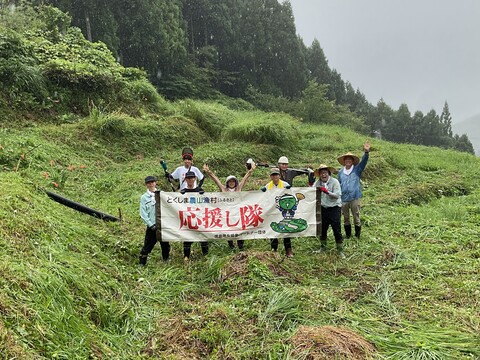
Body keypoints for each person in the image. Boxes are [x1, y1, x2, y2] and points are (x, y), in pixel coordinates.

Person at [203, 161, 256, 250]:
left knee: (240, 230)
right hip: (227, 214)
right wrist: (209, 172)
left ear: (235, 182)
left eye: (233, 181)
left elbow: (245, 178)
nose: (231, 183)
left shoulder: (238, 189)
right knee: (228, 230)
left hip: (238, 214)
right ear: (227, 183)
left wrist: (251, 170)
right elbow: (216, 180)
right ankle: (231, 246)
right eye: (230, 181)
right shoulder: (224, 190)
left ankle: (240, 246)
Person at [276, 156, 314, 258]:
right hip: (276, 201)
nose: (284, 166)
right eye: (282, 164)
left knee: (286, 224)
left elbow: (301, 171)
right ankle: (274, 249)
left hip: (288, 201)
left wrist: (307, 170)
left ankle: (288, 250)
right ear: (278, 164)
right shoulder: (275, 172)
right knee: (274, 224)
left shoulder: (290, 172)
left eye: (285, 164)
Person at [337, 141, 371, 239]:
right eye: (346, 159)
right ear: (344, 161)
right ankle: (348, 235)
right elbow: (339, 184)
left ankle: (357, 236)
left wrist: (366, 152)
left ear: (352, 161)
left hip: (354, 197)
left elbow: (364, 162)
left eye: (349, 159)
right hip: (344, 198)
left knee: (356, 217)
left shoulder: (357, 169)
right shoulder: (340, 172)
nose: (348, 161)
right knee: (346, 218)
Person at [261, 167, 293, 257]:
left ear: (279, 175)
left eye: (276, 175)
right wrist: (261, 192)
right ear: (271, 176)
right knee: (273, 230)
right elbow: (264, 198)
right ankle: (274, 250)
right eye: (273, 175)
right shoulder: (268, 186)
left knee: (285, 230)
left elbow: (291, 196)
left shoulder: (285, 184)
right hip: (272, 212)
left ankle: (288, 250)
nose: (275, 177)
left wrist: (289, 189)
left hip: (283, 211)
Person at [314, 164, 344, 258]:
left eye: (325, 172)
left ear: (328, 173)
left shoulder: (335, 182)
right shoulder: (317, 183)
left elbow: (337, 195)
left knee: (336, 229)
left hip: (334, 208)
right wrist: (311, 184)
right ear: (319, 174)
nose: (323, 175)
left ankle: (340, 250)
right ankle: (323, 247)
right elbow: (311, 191)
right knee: (322, 229)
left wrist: (326, 192)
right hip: (323, 208)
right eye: (321, 173)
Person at [139, 176, 170, 265]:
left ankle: (166, 260)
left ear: (155, 183)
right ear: (146, 185)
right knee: (148, 245)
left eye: (152, 182)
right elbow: (143, 213)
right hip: (152, 225)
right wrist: (150, 224)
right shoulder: (144, 197)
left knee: (165, 244)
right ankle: (142, 263)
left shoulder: (162, 194)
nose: (151, 184)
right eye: (149, 183)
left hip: (163, 224)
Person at [181, 171, 209, 260]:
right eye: (188, 178)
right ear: (185, 180)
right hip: (188, 219)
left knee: (203, 238)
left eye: (192, 178)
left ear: (195, 179)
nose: (190, 180)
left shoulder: (200, 190)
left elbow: (207, 203)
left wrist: (204, 195)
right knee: (187, 240)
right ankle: (186, 257)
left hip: (199, 218)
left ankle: (206, 257)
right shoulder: (182, 192)